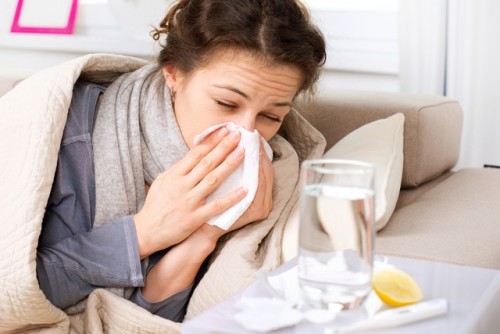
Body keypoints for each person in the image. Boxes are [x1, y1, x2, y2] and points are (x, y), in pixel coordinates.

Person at [35, 0, 326, 323]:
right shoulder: (67, 133)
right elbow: (18, 290)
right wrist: (142, 234)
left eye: (271, 116)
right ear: (174, 75)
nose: (244, 132)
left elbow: (156, 324)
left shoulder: (266, 178)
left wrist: (203, 235)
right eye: (226, 103)